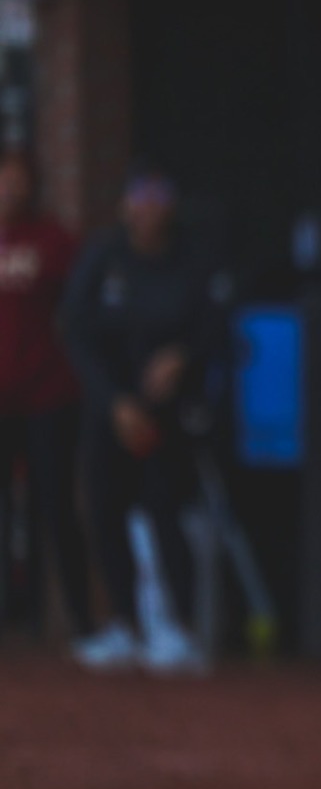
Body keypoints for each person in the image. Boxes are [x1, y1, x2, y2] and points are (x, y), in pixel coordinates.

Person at [59, 166, 227, 675]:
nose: (148, 206)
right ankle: (125, 623)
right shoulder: (103, 257)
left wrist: (182, 357)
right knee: (103, 508)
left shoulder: (193, 259)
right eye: (140, 195)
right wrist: (113, 402)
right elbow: (74, 329)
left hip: (169, 409)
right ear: (125, 204)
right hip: (111, 408)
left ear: (171, 204)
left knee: (164, 507)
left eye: (158, 196)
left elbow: (217, 328)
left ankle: (176, 626)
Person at [0, 148, 92, 645]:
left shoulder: (53, 241)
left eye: (19, 180)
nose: (11, 188)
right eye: (4, 179)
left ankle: (82, 622)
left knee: (56, 505)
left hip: (47, 396)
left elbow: (85, 304)